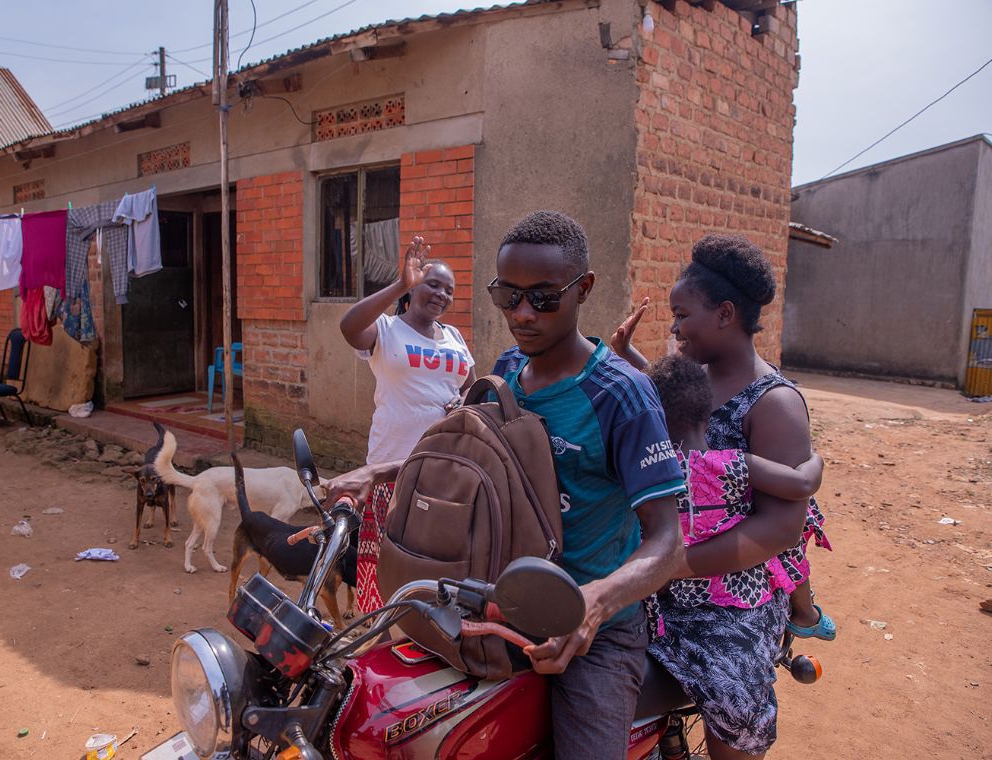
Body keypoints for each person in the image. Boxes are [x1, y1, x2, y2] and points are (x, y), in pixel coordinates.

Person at [330, 211, 685, 760]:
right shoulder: (508, 369)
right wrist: (376, 472)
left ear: (582, 289)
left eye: (543, 297)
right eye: (507, 296)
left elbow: (668, 541)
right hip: (493, 603)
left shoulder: (622, 395)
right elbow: (471, 457)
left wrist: (592, 604)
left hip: (590, 628)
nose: (522, 314)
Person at [613, 233, 831, 759]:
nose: (673, 327)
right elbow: (668, 397)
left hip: (732, 599)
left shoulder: (774, 404)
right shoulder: (691, 379)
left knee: (734, 705)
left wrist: (672, 566)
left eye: (681, 314)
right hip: (660, 575)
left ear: (726, 313)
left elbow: (780, 529)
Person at [338, 235, 475, 614]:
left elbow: (470, 386)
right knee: (386, 555)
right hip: (390, 467)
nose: (441, 294)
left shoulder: (454, 338)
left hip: (443, 468)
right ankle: (380, 627)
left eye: (449, 290)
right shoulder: (386, 330)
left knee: (430, 556)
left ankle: (425, 623)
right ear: (414, 286)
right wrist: (399, 284)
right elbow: (349, 327)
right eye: (433, 284)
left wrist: (463, 402)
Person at [644, 353, 827, 611]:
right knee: (800, 518)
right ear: (709, 420)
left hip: (665, 592)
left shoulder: (652, 467)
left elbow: (663, 387)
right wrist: (815, 460)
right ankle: (805, 613)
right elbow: (801, 485)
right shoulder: (729, 463)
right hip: (733, 590)